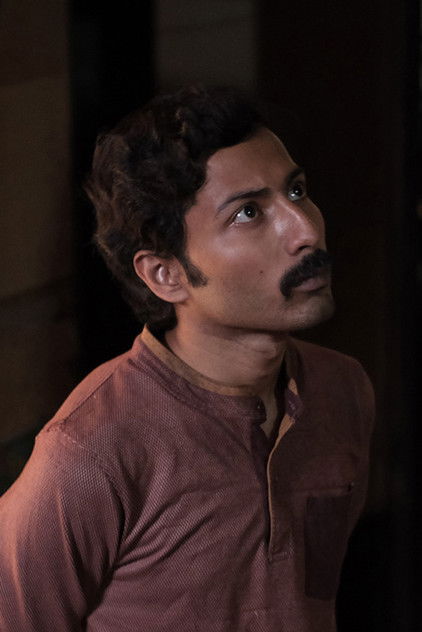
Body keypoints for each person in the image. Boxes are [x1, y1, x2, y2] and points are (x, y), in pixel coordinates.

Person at [0, 85, 374, 631]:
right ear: (166, 274)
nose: (307, 230)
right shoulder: (90, 451)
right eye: (249, 212)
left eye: (297, 191)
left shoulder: (344, 390)